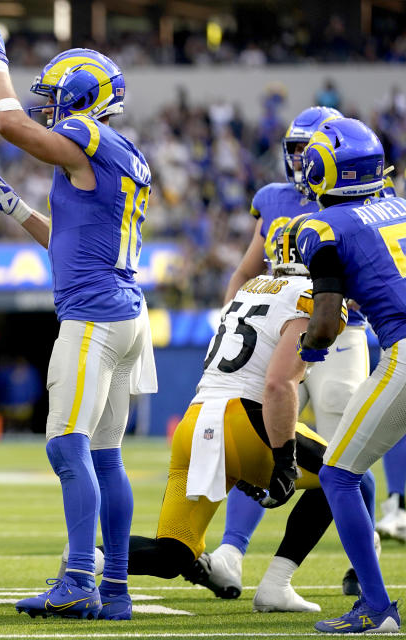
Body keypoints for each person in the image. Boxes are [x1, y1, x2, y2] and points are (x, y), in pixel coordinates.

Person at [0, 19, 156, 620]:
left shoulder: (90, 139)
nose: (47, 110)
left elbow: (6, 122)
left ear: (83, 97)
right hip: (125, 312)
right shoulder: (121, 156)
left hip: (94, 317)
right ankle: (118, 589)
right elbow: (72, 241)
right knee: (106, 457)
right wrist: (15, 207)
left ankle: (80, 578)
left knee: (65, 446)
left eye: (55, 98)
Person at [120, 217, 366, 616]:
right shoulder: (309, 298)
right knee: (339, 473)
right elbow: (278, 386)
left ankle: (84, 559)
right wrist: (283, 461)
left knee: (171, 554)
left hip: (195, 424)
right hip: (246, 421)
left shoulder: (250, 289)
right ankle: (276, 584)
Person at [196, 107, 377, 602]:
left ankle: (365, 553)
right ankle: (232, 553)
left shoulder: (358, 201)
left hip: (341, 332)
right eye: (296, 148)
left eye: (311, 147)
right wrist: (231, 322)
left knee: (347, 445)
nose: (302, 157)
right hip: (281, 331)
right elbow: (243, 273)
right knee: (261, 433)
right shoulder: (274, 199)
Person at [296, 117, 404, 633]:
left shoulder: (323, 228)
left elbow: (324, 321)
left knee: (339, 474)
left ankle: (377, 607)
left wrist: (307, 350)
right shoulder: (400, 206)